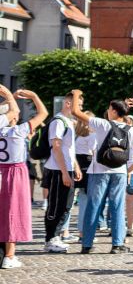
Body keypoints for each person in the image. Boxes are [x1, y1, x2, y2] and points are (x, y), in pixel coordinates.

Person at [68, 92, 133, 255]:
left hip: (99, 170)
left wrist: (76, 95)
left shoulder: (103, 124)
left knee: (94, 206)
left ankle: (87, 244)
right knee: (117, 207)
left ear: (113, 111)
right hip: (119, 172)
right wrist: (129, 169)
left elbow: (76, 113)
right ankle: (117, 244)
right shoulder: (130, 130)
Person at [0, 87, 48, 268]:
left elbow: (12, 109)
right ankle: (10, 256)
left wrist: (9, 98)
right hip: (14, 171)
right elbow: (43, 113)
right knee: (13, 212)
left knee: (2, 212)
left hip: (1, 170)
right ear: (11, 117)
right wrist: (35, 95)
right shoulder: (18, 131)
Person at [42, 94, 80, 254]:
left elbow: (69, 149)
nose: (80, 109)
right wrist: (65, 173)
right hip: (57, 170)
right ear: (68, 103)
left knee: (66, 205)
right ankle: (50, 238)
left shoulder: (69, 122)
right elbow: (56, 147)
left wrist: (75, 166)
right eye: (78, 104)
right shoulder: (58, 121)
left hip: (66, 169)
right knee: (55, 206)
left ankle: (56, 236)